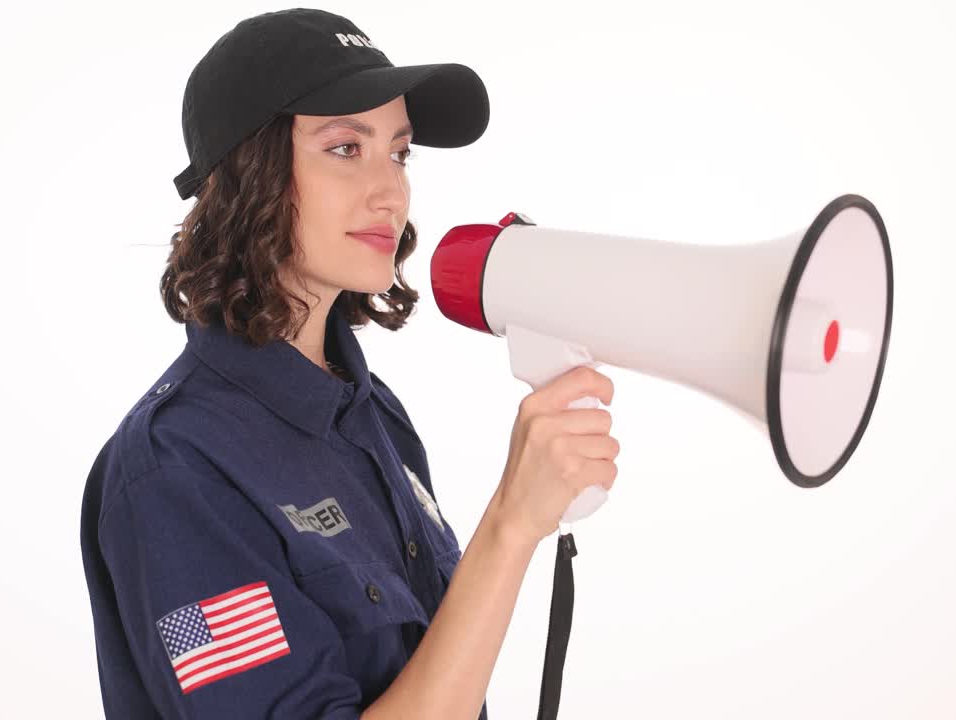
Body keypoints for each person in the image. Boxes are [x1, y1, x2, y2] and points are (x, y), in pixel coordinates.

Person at [79, 8, 620, 719]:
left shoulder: (373, 416)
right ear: (249, 172)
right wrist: (512, 523)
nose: (389, 191)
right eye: (344, 148)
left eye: (399, 153)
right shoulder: (174, 472)